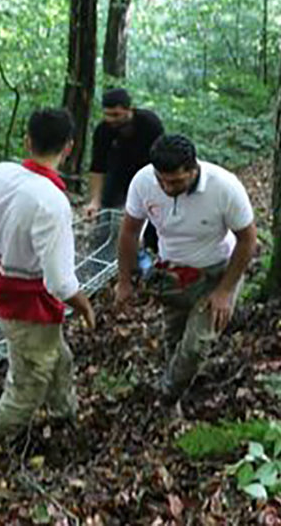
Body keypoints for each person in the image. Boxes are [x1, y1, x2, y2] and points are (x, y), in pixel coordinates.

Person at [0, 108, 95, 440]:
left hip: (10, 288)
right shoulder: (53, 202)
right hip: (29, 300)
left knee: (59, 359)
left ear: (27, 141)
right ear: (69, 147)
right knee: (27, 382)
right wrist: (84, 305)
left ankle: (63, 417)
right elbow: (60, 282)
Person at [114, 134, 256, 407]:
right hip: (173, 271)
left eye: (177, 182)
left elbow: (248, 239)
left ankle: (165, 397)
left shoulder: (224, 187)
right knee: (174, 339)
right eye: (162, 180)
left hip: (217, 270)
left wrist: (225, 290)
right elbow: (129, 231)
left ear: (194, 169)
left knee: (196, 345)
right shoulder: (143, 182)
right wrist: (124, 281)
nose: (168, 188)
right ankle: (178, 392)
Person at [84, 88, 163, 222]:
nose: (111, 119)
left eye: (116, 115)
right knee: (107, 214)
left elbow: (161, 159)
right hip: (117, 175)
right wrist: (94, 201)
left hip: (146, 174)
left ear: (129, 110)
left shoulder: (149, 123)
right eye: (107, 114)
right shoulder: (103, 130)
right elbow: (97, 168)